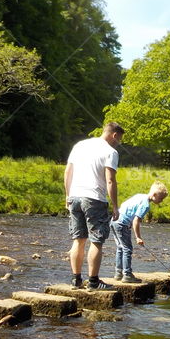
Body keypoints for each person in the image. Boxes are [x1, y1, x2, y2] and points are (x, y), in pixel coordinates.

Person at [64, 122, 124, 289]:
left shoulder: (80, 145)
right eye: (119, 139)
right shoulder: (111, 152)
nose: (118, 142)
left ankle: (76, 280)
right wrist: (115, 206)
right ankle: (93, 282)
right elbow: (110, 180)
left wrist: (68, 195)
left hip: (75, 197)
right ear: (114, 135)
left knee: (78, 240)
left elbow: (68, 172)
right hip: (94, 199)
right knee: (96, 241)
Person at [111, 181, 168, 283]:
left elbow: (125, 205)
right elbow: (136, 221)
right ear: (154, 195)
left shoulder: (139, 196)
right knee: (127, 249)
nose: (161, 201)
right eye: (161, 199)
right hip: (122, 223)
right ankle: (127, 274)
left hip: (114, 220)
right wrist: (138, 237)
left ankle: (118, 273)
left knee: (120, 247)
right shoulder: (146, 205)